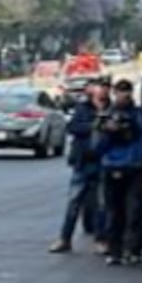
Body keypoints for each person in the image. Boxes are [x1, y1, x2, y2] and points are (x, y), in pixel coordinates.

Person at [94, 79, 142, 266]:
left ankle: (134, 250)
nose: (124, 95)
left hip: (133, 167)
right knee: (113, 212)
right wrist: (108, 132)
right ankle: (115, 250)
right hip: (112, 167)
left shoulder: (140, 115)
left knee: (135, 212)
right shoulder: (106, 116)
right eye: (120, 91)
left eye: (127, 91)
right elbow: (96, 146)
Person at [49, 80, 109, 254]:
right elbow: (73, 127)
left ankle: (101, 239)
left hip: (103, 162)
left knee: (101, 204)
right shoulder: (83, 108)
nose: (100, 96)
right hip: (83, 162)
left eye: (103, 93)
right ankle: (64, 238)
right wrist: (94, 125)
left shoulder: (112, 109)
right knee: (74, 202)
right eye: (98, 92)